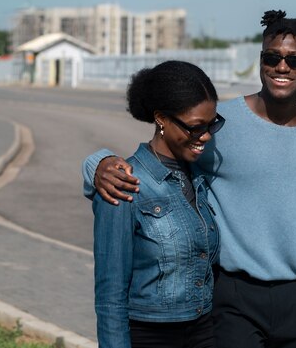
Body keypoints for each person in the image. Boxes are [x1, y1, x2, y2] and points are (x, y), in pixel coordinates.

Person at [84, 10, 296, 348]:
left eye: (295, 60)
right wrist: (97, 163)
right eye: (272, 57)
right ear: (260, 59)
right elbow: (158, 164)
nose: (282, 67)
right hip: (233, 300)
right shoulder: (222, 123)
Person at [91, 60, 225, 348]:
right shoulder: (124, 183)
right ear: (161, 119)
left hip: (204, 331)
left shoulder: (201, 177)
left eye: (212, 124)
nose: (206, 137)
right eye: (195, 128)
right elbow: (110, 295)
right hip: (150, 337)